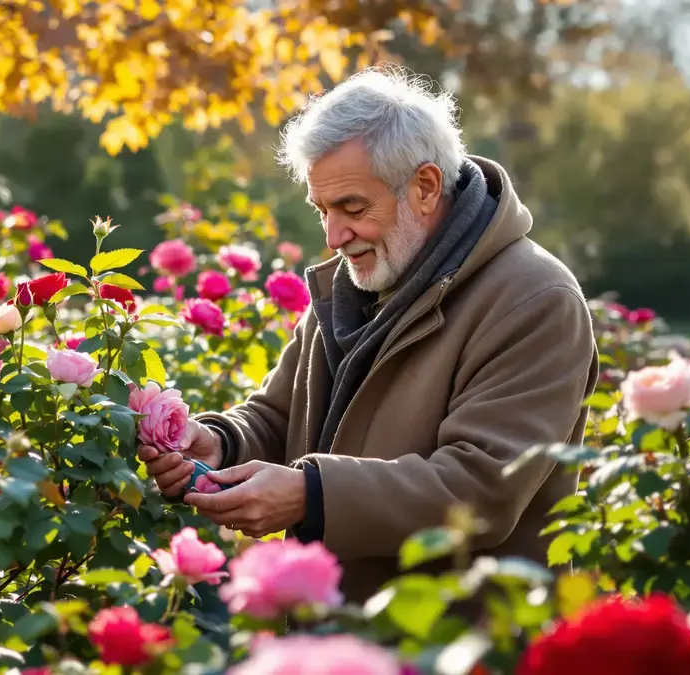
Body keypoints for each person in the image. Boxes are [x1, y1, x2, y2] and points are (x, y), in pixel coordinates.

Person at [138, 66, 599, 604]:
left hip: (457, 645)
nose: (334, 237)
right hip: (341, 635)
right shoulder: (360, 278)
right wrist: (219, 443)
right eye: (323, 211)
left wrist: (312, 494)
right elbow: (280, 413)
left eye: (353, 208)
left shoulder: (534, 300)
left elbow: (480, 489)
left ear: (425, 187)